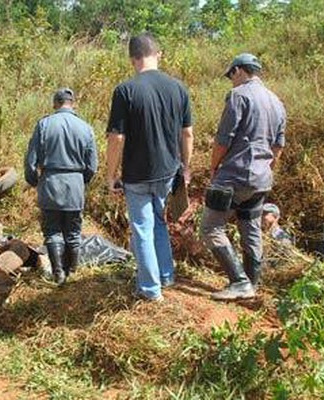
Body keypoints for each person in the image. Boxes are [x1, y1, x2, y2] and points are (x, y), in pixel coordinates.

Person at [105, 32, 194, 302]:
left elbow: (116, 137)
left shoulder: (125, 91)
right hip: (168, 171)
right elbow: (187, 134)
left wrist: (110, 175)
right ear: (159, 54)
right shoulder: (179, 88)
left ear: (132, 59)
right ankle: (165, 275)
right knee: (158, 222)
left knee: (142, 228)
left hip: (137, 175)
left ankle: (150, 290)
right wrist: (186, 168)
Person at [200, 53, 286, 300]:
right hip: (261, 178)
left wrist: (214, 166)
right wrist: (267, 167)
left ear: (238, 70)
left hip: (234, 175)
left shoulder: (239, 96)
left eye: (230, 75)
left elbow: (223, 139)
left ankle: (239, 282)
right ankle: (253, 285)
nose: (230, 80)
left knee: (210, 227)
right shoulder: (276, 101)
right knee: (250, 228)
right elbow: (278, 147)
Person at [24, 88, 98, 285]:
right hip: (74, 184)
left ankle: (58, 274)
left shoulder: (44, 124)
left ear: (55, 103)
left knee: (52, 231)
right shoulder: (86, 128)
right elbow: (92, 166)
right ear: (72, 103)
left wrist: (34, 181)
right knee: (73, 233)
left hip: (50, 182)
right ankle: (72, 273)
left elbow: (31, 160)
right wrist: (81, 181)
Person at [262, 202, 293, 268]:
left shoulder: (281, 237)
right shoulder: (259, 235)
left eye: (265, 214)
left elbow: (284, 260)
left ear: (275, 217)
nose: (261, 217)